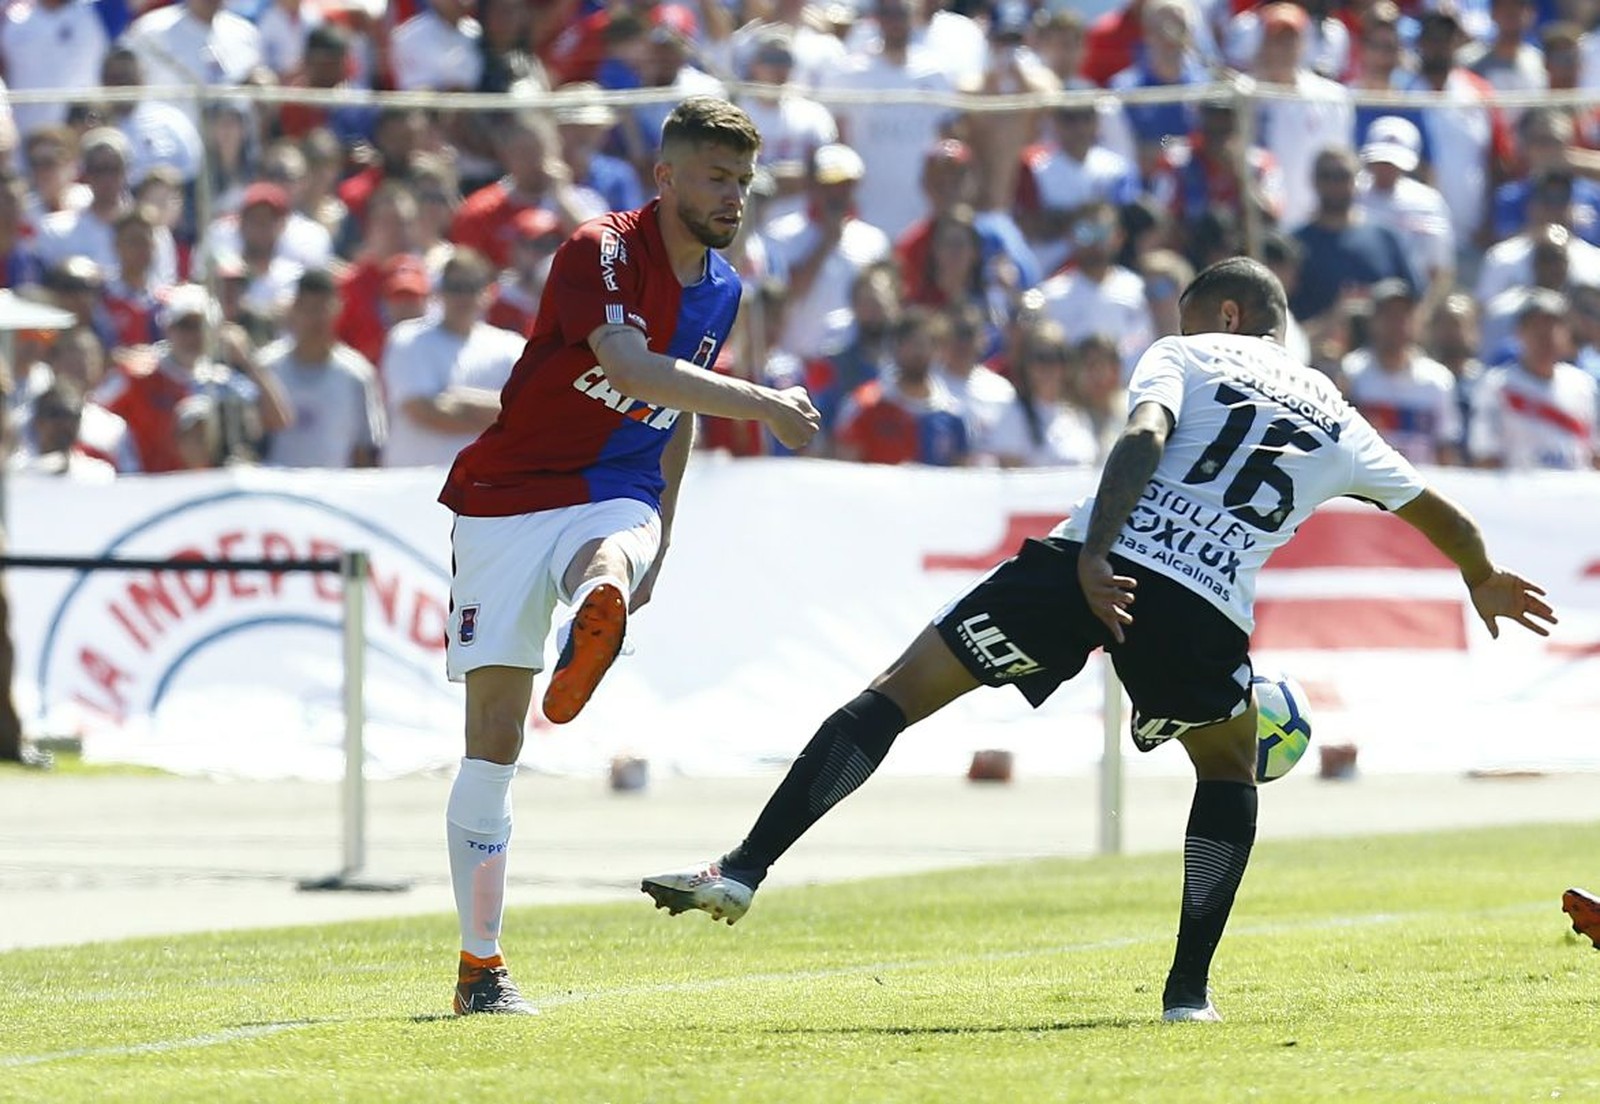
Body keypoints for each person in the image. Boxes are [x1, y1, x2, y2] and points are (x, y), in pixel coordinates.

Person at [640, 256, 1556, 1023]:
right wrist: (1478, 575)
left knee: (899, 692)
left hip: (1088, 562)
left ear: (1225, 313)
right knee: (1230, 769)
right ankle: (1188, 993)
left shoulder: (1188, 352)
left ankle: (745, 868)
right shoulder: (1335, 414)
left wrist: (1100, 554)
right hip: (1202, 603)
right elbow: (1436, 510)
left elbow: (1145, 435)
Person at [437, 97, 819, 1017]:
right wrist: (765, 402)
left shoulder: (723, 286)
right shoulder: (599, 249)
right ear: (667, 177)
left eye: (743, 180)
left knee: (613, 549)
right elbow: (637, 366)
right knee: (494, 742)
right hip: (506, 494)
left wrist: (668, 537)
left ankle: (603, 594)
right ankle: (479, 967)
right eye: (717, 178)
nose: (735, 196)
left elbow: (672, 411)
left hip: (617, 486)